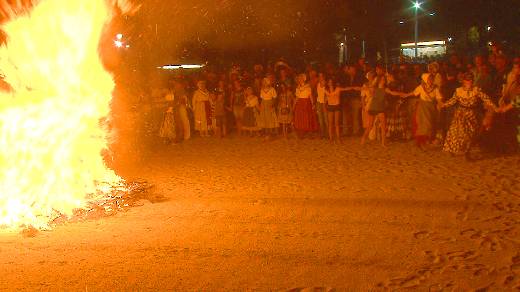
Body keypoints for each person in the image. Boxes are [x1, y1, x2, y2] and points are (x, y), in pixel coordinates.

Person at [439, 72, 500, 156]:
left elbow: (486, 99)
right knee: (457, 132)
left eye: (471, 80)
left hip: (472, 114)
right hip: (461, 114)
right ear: (464, 81)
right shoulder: (459, 91)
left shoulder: (476, 90)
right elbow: (453, 100)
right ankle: (452, 150)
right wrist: (443, 105)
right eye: (467, 80)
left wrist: (495, 107)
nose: (469, 82)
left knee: (471, 133)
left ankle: (467, 151)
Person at [399, 73, 444, 149]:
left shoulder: (435, 88)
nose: (430, 80)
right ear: (425, 80)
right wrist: (406, 95)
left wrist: (441, 103)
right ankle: (422, 142)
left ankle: (424, 141)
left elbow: (438, 97)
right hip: (422, 108)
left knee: (430, 125)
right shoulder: (421, 87)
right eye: (429, 79)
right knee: (423, 125)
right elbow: (414, 93)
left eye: (431, 79)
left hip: (431, 108)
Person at [293, 73, 318, 138]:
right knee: (300, 118)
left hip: (306, 103)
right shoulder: (298, 88)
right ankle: (301, 132)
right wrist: (294, 105)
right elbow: (297, 97)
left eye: (301, 78)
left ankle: (309, 132)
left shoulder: (307, 87)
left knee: (307, 117)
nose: (300, 79)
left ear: (304, 79)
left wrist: (313, 104)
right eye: (299, 79)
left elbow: (310, 96)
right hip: (300, 103)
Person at [324, 78, 343, 143]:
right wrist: (325, 106)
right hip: (330, 106)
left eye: (331, 82)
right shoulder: (326, 90)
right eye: (329, 82)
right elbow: (325, 99)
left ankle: (338, 138)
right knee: (330, 123)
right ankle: (331, 138)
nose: (330, 83)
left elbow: (338, 97)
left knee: (336, 123)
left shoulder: (337, 89)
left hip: (336, 105)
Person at [316, 73, 328, 139]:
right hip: (318, 102)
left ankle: (328, 133)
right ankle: (322, 133)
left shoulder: (325, 85)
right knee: (320, 119)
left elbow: (326, 95)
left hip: (324, 103)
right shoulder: (318, 84)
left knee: (326, 119)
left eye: (321, 76)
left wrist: (325, 103)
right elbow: (317, 93)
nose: (320, 77)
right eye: (319, 76)